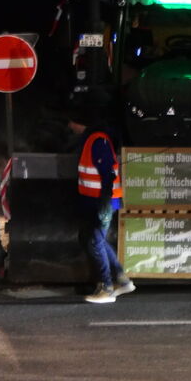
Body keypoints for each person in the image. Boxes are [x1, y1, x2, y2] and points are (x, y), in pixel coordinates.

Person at [69, 110, 135, 303]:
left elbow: (107, 175)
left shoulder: (97, 141)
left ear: (81, 123)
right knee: (96, 240)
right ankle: (121, 280)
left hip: (101, 201)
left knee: (95, 242)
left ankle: (107, 288)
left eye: (72, 122)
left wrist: (104, 205)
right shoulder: (93, 139)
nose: (70, 126)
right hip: (95, 201)